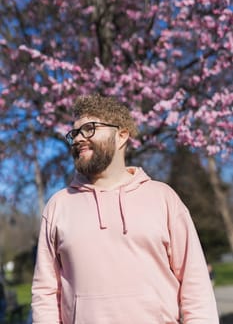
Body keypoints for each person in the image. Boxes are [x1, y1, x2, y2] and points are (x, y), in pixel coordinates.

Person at [31, 94, 219, 324]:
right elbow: (45, 292)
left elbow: (195, 282)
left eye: (89, 129)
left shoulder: (163, 198)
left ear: (121, 136)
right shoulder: (58, 206)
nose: (79, 138)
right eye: (75, 133)